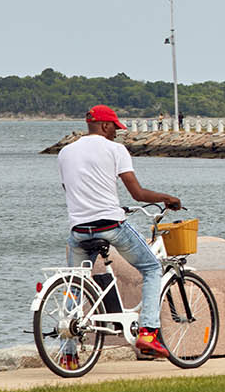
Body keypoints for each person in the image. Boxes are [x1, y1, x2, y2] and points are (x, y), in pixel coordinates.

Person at [56, 104, 182, 366]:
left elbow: (69, 188)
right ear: (104, 125)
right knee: (151, 268)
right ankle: (148, 333)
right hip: (110, 225)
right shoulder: (115, 150)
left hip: (79, 229)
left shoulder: (65, 152)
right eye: (114, 127)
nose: (117, 132)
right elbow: (138, 194)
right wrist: (167, 198)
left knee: (74, 288)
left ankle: (67, 354)